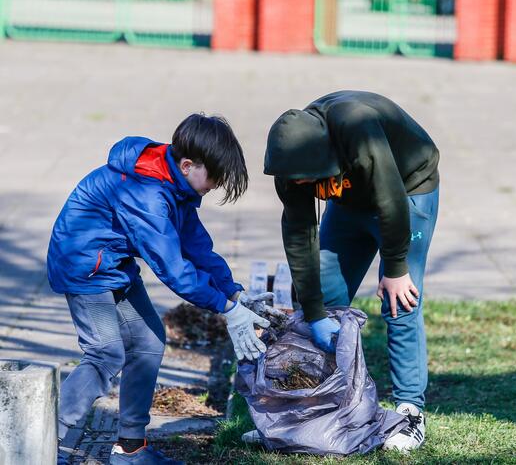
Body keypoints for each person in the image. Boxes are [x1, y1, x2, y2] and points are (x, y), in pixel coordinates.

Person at [48, 114, 272, 464]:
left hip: (113, 264)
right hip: (83, 265)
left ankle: (130, 450)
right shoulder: (147, 194)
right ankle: (42, 441)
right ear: (187, 165)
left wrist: (235, 294)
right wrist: (226, 311)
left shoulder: (174, 184)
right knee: (106, 353)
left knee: (149, 342)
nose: (214, 186)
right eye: (213, 177)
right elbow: (175, 271)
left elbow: (197, 248)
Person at [264, 91, 440, 452]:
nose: (297, 186)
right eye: (292, 180)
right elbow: (299, 235)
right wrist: (313, 312)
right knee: (325, 299)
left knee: (400, 301)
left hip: (407, 190)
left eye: (302, 180)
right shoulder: (292, 166)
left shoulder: (358, 126)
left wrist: (395, 267)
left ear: (319, 158)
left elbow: (390, 198)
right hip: (349, 201)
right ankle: (323, 403)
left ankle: (411, 411)